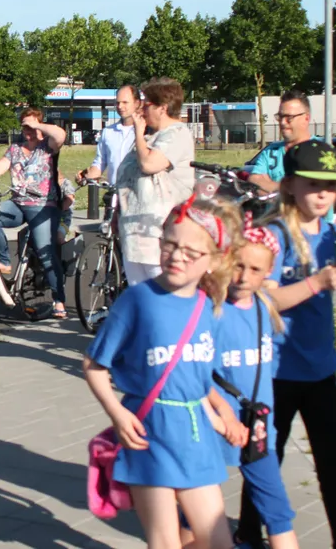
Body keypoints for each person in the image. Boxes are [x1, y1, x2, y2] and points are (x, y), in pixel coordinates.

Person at [236, 139, 336, 549]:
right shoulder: (272, 235)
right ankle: (249, 534)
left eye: (330, 185)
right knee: (265, 460)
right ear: (290, 186)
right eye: (313, 184)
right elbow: (262, 302)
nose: (323, 193)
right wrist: (316, 282)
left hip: (320, 370)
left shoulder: (333, 234)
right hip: (274, 373)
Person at [83, 196, 242, 548]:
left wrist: (221, 421)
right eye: (169, 244)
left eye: (191, 252)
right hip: (149, 434)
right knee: (164, 542)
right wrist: (118, 415)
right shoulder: (138, 300)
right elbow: (93, 366)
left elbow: (194, 383)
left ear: (215, 260)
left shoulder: (209, 308)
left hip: (197, 439)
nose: (176, 256)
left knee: (219, 542)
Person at [182, 215, 300, 549]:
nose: (244, 277)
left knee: (278, 514)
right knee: (196, 517)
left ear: (269, 272)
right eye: (238, 266)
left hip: (258, 429)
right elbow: (192, 373)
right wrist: (220, 415)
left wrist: (321, 281)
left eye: (255, 270)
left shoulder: (265, 307)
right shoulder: (208, 309)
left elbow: (293, 295)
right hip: (211, 428)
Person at [0, 108, 68, 318]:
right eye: (25, 127)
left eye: (31, 127)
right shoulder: (15, 149)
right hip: (18, 203)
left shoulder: (48, 147)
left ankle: (59, 300)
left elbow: (60, 135)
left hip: (43, 206)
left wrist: (37, 126)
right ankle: (4, 260)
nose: (28, 131)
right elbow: (2, 165)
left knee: (46, 253)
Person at [114, 77, 195, 285]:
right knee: (139, 293)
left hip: (158, 235)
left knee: (162, 292)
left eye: (146, 104)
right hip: (134, 234)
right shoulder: (151, 137)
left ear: (162, 108)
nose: (141, 110)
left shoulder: (177, 134)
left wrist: (138, 134)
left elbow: (149, 164)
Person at [247, 91, 314, 195]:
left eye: (289, 117)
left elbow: (318, 188)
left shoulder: (321, 150)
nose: (282, 122)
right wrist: (290, 188)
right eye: (280, 117)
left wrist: (270, 185)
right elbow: (255, 182)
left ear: (306, 118)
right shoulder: (270, 152)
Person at [76, 84, 140, 186]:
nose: (120, 106)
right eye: (117, 103)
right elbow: (99, 163)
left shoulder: (147, 131)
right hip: (115, 192)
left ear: (137, 103)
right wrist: (85, 176)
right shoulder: (108, 132)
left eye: (125, 102)